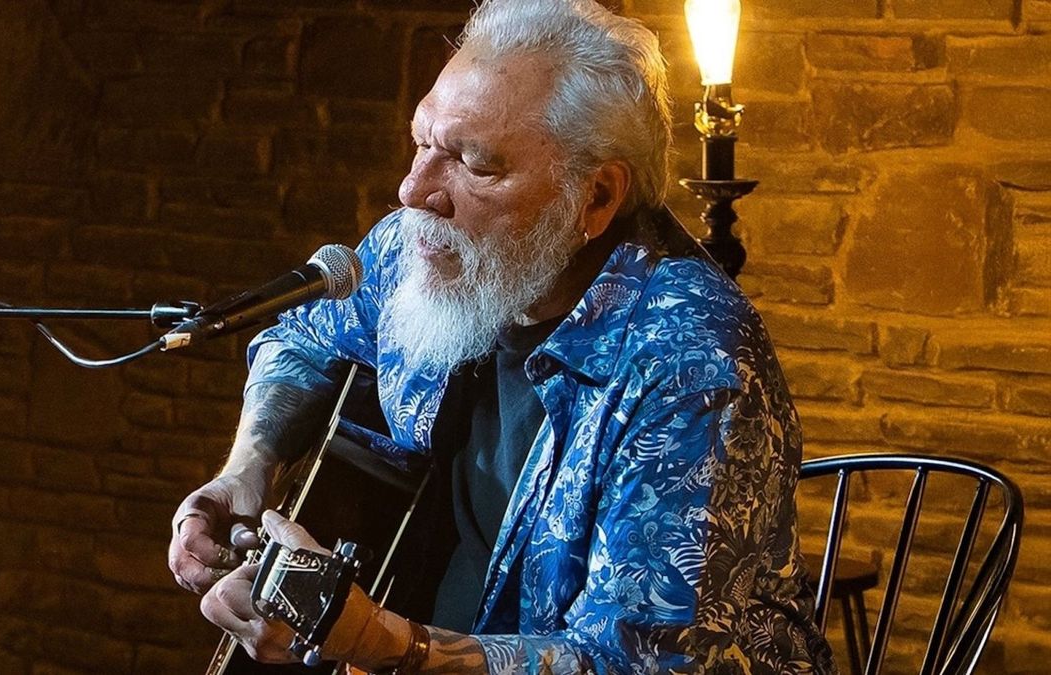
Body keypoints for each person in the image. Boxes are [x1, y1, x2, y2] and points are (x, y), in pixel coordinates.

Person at [168, 0, 835, 672]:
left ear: (596, 196)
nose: (413, 190)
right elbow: (306, 340)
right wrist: (248, 467)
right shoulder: (422, 251)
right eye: (423, 143)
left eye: (476, 165)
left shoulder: (690, 365)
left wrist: (374, 640)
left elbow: (635, 662)